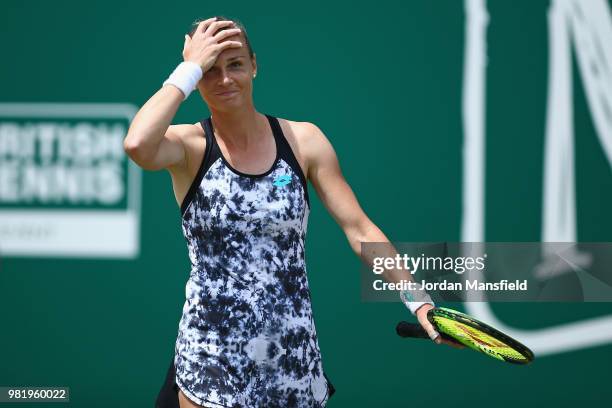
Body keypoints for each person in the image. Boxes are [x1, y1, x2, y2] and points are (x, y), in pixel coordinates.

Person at [124, 16, 461, 408]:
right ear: (196, 78)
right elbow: (137, 144)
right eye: (210, 70)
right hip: (210, 362)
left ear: (254, 65)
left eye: (235, 64)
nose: (225, 79)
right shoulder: (188, 145)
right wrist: (188, 67)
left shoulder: (304, 140)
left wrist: (418, 301)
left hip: (292, 365)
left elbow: (359, 229)